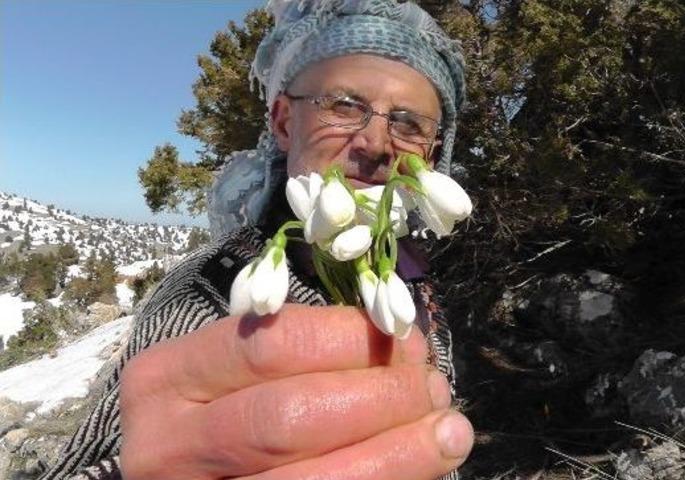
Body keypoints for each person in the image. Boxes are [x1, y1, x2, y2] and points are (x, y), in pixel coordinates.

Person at [38, 1, 474, 479]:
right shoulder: (211, 286)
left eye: (409, 123)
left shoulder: (417, 280)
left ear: (433, 155)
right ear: (284, 122)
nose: (376, 143)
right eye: (346, 105)